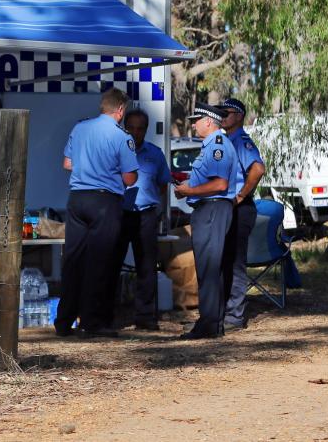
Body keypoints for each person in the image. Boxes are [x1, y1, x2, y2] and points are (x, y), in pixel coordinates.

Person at [56, 88, 139, 339]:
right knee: (100, 262)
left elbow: (67, 164)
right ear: (121, 110)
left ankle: (64, 320)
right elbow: (130, 177)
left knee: (73, 260)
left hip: (78, 199)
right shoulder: (121, 136)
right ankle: (91, 321)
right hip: (105, 201)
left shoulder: (80, 128)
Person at [173, 104, 239, 339]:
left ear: (209, 122)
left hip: (212, 208)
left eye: (197, 119)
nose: (193, 124)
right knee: (211, 268)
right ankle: (213, 322)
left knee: (208, 269)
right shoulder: (212, 146)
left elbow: (220, 184)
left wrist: (190, 190)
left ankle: (209, 323)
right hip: (211, 208)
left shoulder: (217, 146)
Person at [118, 109, 171, 331]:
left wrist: (154, 206)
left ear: (146, 130)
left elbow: (163, 183)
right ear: (124, 127)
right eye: (130, 127)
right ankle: (108, 315)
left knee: (147, 267)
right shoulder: (116, 151)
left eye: (140, 128)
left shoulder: (155, 154)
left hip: (146, 215)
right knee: (112, 265)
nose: (135, 132)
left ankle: (145, 316)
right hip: (120, 214)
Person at [220, 98, 266, 331]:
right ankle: (224, 311)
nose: (222, 116)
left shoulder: (241, 142)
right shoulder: (226, 140)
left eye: (226, 112)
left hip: (240, 209)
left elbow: (258, 169)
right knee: (224, 260)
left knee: (235, 263)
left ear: (239, 116)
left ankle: (235, 316)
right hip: (228, 209)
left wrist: (240, 196)